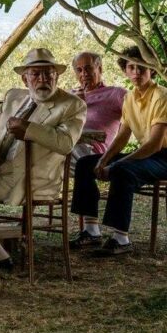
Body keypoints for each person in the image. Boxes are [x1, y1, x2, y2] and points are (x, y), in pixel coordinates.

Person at [0, 48, 86, 271]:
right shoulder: (15, 96)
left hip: (32, 177)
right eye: (35, 74)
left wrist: (29, 129)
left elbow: (65, 143)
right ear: (25, 78)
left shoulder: (72, 105)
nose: (43, 79)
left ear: (57, 76)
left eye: (48, 73)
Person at [70, 46, 167, 256]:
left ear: (151, 69)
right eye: (131, 67)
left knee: (123, 170)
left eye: (142, 67)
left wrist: (118, 163)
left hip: (163, 156)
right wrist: (104, 160)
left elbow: (154, 144)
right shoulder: (131, 98)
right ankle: (91, 230)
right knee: (86, 164)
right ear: (125, 70)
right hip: (148, 154)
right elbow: (122, 136)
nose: (136, 72)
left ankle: (121, 238)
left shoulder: (161, 96)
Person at [70, 52, 126, 160]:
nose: (84, 74)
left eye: (88, 68)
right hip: (64, 146)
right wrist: (74, 106)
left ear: (100, 69)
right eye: (79, 70)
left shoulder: (115, 94)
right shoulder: (69, 95)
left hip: (91, 153)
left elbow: (139, 114)